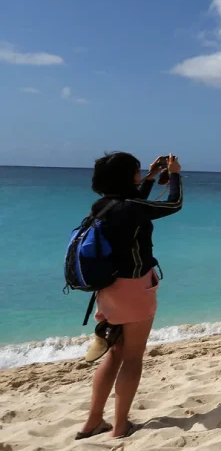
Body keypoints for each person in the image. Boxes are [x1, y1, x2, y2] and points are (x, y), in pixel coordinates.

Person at [77, 153, 183, 441]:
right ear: (127, 176)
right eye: (137, 170)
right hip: (135, 288)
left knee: (114, 353)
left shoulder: (103, 205)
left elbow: (133, 203)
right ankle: (120, 426)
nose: (141, 172)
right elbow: (174, 204)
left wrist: (149, 177)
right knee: (133, 357)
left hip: (108, 289)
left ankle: (92, 422)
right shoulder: (131, 207)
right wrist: (174, 174)